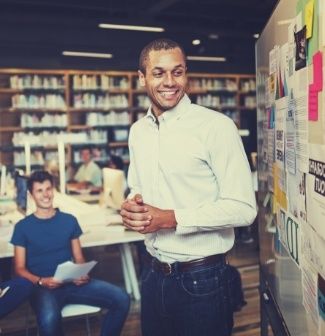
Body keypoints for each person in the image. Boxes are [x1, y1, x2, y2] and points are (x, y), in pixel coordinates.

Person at [120, 38, 257, 336]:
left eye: (178, 72)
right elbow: (136, 187)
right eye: (158, 73)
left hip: (203, 280)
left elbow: (244, 209)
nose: (170, 82)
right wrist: (133, 207)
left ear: (186, 74)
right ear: (141, 77)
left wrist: (171, 217)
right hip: (153, 275)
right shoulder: (138, 131)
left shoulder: (216, 127)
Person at [11, 170, 130, 336]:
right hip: (43, 288)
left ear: (53, 190)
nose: (46, 195)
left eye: (48, 189)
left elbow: (79, 257)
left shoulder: (69, 220)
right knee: (49, 319)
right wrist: (41, 281)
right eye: (40, 190)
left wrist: (82, 272)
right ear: (31, 195)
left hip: (72, 282)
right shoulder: (22, 227)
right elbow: (19, 268)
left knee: (122, 299)